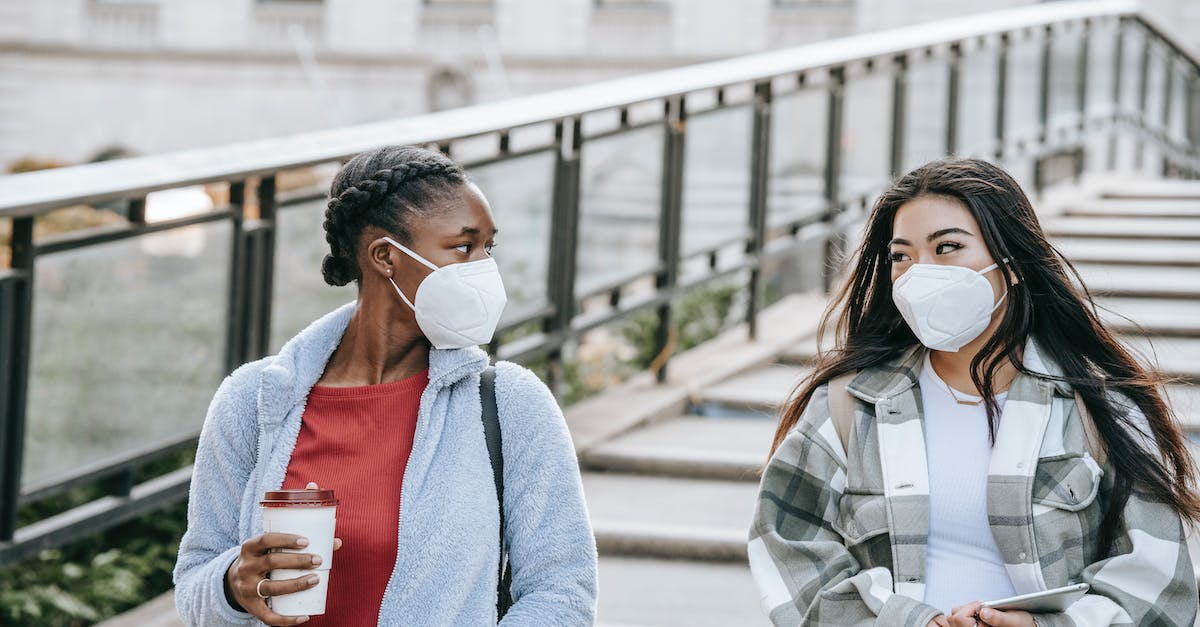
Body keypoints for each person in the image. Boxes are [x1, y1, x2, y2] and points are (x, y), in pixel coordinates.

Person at [749, 157, 1200, 626]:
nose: (918, 273)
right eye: (901, 256)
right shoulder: (847, 405)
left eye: (947, 247)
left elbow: (1160, 582)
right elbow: (788, 546)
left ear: (1013, 263)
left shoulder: (1100, 409)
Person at [173, 145, 598, 626]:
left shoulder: (509, 404)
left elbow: (563, 592)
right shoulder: (253, 400)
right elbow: (194, 584)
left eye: (488, 248)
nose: (484, 268)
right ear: (385, 257)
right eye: (463, 246)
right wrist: (232, 584)